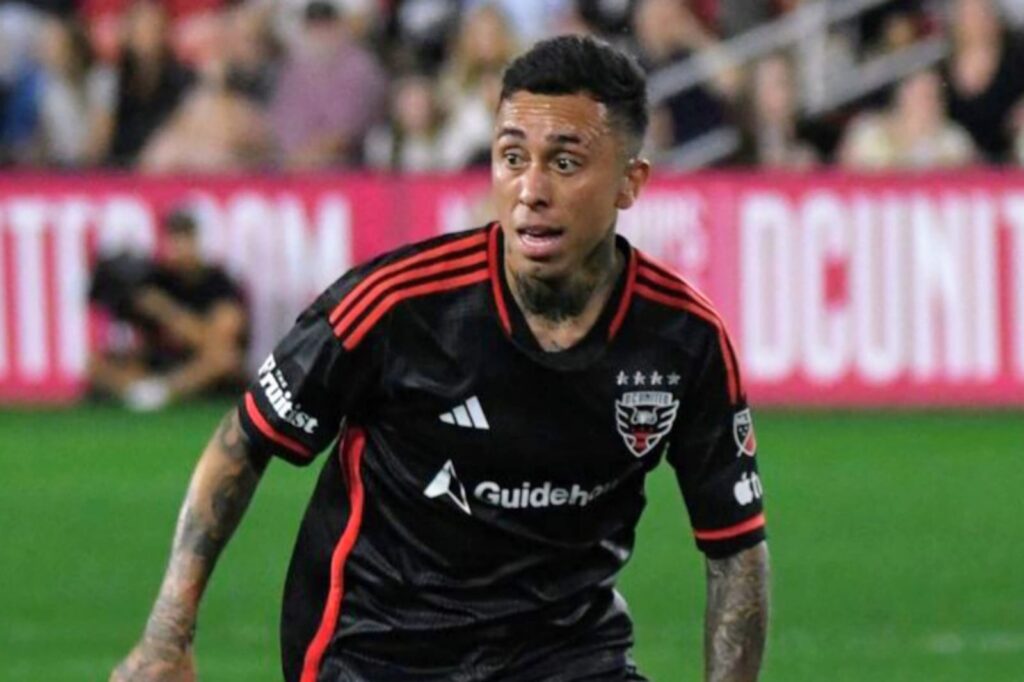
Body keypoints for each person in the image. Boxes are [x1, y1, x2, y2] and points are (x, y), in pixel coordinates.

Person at [110, 35, 769, 682]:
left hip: (566, 652)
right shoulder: (396, 305)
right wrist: (167, 634)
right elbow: (245, 439)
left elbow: (736, 550)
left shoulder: (685, 341)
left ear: (631, 183)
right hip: (379, 649)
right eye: (513, 157)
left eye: (565, 163)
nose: (530, 189)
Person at [88, 209, 247, 411]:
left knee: (224, 359)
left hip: (199, 366)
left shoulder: (219, 282)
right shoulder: (157, 279)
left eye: (185, 240)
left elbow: (216, 341)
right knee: (96, 364)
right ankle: (146, 392)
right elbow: (137, 333)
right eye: (175, 240)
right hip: (163, 361)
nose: (181, 248)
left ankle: (162, 393)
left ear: (196, 241)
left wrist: (167, 311)